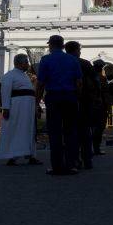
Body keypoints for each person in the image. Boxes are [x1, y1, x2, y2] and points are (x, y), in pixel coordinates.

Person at [36, 35, 82, 175]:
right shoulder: (73, 60)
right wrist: (77, 98)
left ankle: (57, 166)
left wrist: (37, 101)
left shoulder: (46, 60)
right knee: (71, 132)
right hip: (70, 98)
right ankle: (72, 165)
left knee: (55, 132)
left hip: (54, 98)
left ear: (50, 46)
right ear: (62, 46)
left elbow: (41, 83)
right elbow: (79, 82)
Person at [0, 54, 42, 166]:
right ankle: (12, 156)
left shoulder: (25, 76)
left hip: (28, 109)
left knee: (30, 130)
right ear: (19, 63)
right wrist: (5, 108)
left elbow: (31, 92)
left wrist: (36, 105)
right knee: (16, 130)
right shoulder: (10, 75)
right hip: (17, 108)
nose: (28, 64)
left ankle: (31, 155)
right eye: (26, 62)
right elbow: (5, 92)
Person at [65, 41, 99, 170]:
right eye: (79, 49)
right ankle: (87, 160)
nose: (80, 52)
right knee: (85, 131)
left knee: (70, 131)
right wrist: (96, 97)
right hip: (84, 101)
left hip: (68, 100)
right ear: (75, 50)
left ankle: (73, 160)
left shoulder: (64, 63)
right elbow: (96, 81)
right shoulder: (84, 63)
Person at [91, 59, 112, 154]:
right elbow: (106, 95)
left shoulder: (88, 77)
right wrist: (109, 108)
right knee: (99, 128)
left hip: (90, 106)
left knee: (89, 128)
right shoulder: (102, 79)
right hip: (100, 107)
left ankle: (88, 148)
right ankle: (96, 148)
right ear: (100, 68)